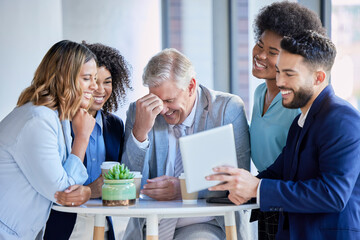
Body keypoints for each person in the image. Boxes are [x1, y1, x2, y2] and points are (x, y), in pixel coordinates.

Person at [207, 31, 360, 239]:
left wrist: (257, 188)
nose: (279, 81)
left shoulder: (342, 119)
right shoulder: (300, 122)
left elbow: (332, 194)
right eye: (279, 72)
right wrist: (236, 185)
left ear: (319, 77)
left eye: (289, 74)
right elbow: (277, 174)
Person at [121, 48, 251, 239]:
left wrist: (184, 190)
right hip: (150, 225)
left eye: (169, 100)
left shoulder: (227, 110)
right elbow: (128, 184)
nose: (163, 110)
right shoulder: (140, 112)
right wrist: (140, 132)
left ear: (191, 86)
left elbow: (240, 183)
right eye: (157, 100)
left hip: (205, 224)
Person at [0, 40, 97, 240]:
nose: (95, 86)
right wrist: (82, 138)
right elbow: (63, 193)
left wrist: (85, 192)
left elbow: (68, 186)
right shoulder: (37, 121)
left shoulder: (56, 119)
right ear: (64, 79)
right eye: (87, 78)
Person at [249, 2, 326, 239]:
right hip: (265, 195)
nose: (260, 55)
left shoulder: (297, 104)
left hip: (288, 201)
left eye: (273, 52)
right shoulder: (260, 93)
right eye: (260, 45)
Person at [44, 42, 132, 240]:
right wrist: (91, 190)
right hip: (65, 224)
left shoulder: (115, 125)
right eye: (92, 80)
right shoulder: (59, 123)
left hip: (104, 222)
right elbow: (57, 186)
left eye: (107, 82)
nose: (99, 89)